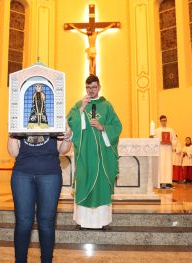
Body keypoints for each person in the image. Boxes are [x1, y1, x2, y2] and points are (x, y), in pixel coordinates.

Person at [7, 127, 72, 263]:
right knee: (23, 222)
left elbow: (63, 150)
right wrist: (12, 131)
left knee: (47, 222)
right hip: (22, 173)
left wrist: (67, 136)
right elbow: (13, 153)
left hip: (50, 173)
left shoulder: (55, 111)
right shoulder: (20, 112)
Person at [67, 74, 122, 229]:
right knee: (83, 181)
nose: (91, 90)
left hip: (102, 155)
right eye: (88, 87)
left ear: (99, 87)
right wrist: (81, 110)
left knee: (102, 185)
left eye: (94, 87)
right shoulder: (79, 104)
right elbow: (69, 124)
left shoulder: (107, 105)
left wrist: (102, 127)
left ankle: (102, 221)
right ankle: (82, 221)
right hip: (84, 154)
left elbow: (117, 126)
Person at [154, 115, 177, 189]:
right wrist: (159, 142)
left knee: (168, 165)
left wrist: (171, 142)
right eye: (163, 121)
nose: (164, 122)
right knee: (161, 165)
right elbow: (154, 140)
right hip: (161, 150)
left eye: (165, 120)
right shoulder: (157, 130)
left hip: (168, 150)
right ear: (160, 121)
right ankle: (160, 182)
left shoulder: (171, 130)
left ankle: (168, 182)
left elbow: (175, 139)